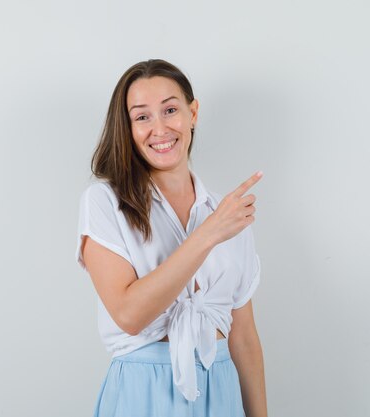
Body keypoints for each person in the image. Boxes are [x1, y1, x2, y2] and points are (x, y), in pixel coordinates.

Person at [75, 59, 267, 417]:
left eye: (171, 110)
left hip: (221, 390)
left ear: (193, 113)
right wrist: (208, 235)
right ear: (128, 128)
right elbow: (129, 314)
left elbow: (243, 338)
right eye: (142, 117)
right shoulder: (104, 202)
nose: (160, 128)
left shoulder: (226, 214)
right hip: (143, 392)